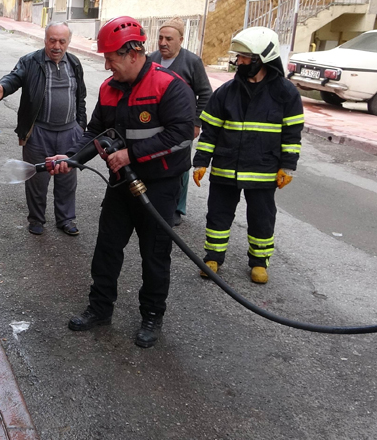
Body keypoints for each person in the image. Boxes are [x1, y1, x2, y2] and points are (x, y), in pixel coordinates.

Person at [46, 16, 195, 348]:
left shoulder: (168, 86)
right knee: (107, 248)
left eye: (111, 58)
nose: (107, 65)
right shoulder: (110, 89)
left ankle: (152, 316)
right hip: (120, 185)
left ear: (132, 52)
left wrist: (132, 154)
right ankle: (100, 309)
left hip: (158, 186)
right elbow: (95, 132)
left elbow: (182, 134)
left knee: (155, 254)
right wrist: (69, 159)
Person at [192, 27, 304, 284]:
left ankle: (259, 262)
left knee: (261, 217)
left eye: (244, 58)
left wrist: (287, 167)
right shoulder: (226, 92)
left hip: (263, 169)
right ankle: (213, 258)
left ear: (262, 58)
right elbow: (209, 132)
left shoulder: (286, 94)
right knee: (218, 215)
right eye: (238, 57)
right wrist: (200, 162)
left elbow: (292, 135)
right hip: (225, 167)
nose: (238, 62)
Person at [0, 22, 87, 236]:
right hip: (39, 132)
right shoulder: (30, 61)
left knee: (67, 179)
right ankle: (36, 220)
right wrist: (3, 88)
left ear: (68, 42)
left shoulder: (75, 63)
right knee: (37, 179)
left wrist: (81, 128)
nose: (56, 46)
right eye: (52, 40)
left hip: (69, 132)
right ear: (45, 40)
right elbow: (14, 77)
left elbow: (80, 98)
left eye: (62, 41)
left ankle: (66, 219)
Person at [147, 17, 213, 227]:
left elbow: (205, 94)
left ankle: (177, 207)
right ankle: (153, 201)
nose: (163, 43)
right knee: (155, 161)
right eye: (160, 38)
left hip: (181, 126)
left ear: (181, 40)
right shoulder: (151, 59)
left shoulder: (192, 62)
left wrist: (196, 123)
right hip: (155, 124)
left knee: (180, 166)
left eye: (169, 38)